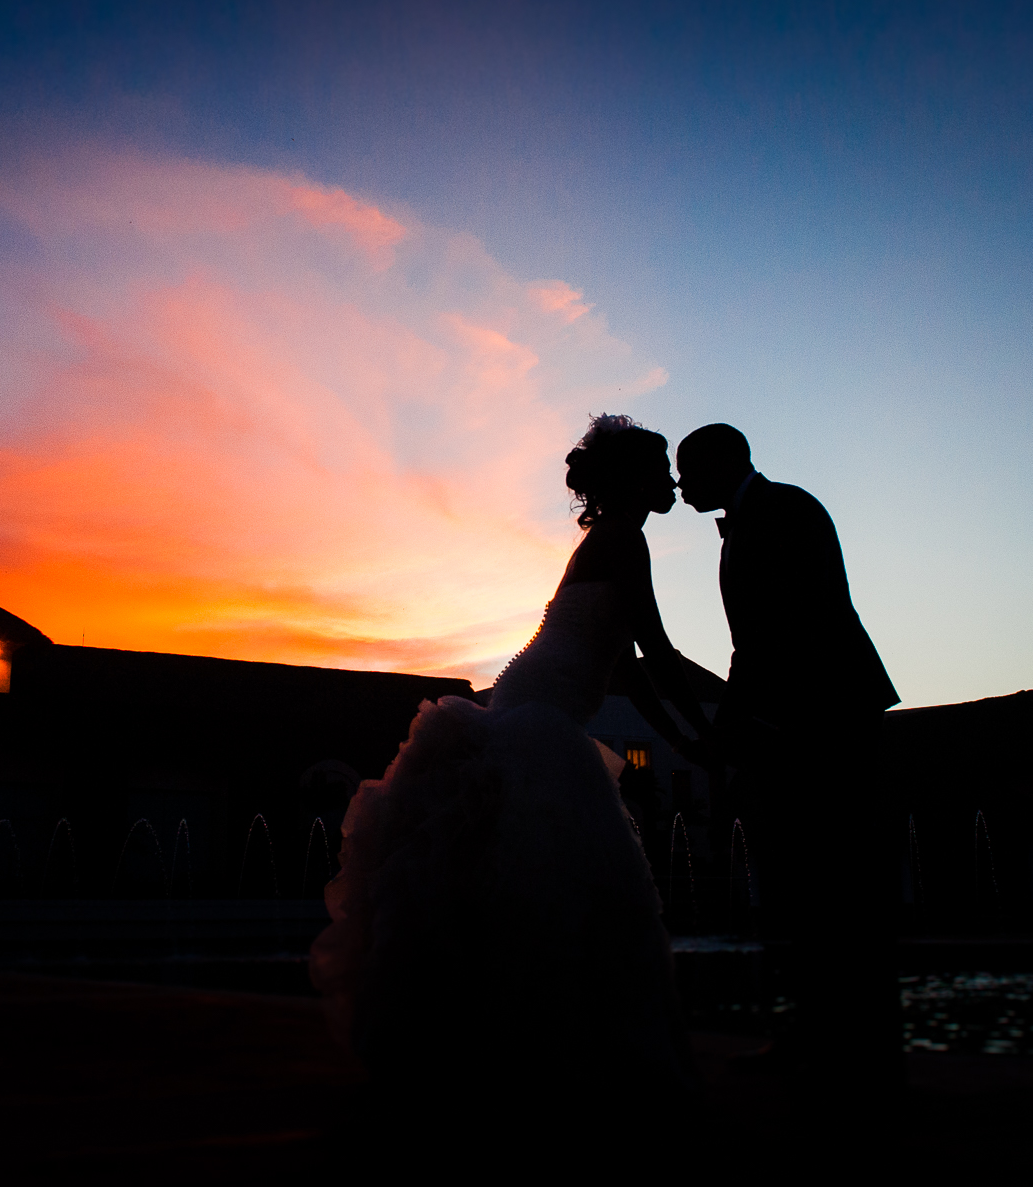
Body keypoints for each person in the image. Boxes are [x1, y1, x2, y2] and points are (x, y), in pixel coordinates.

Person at [309, 414, 716, 1147]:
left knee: (509, 890)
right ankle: (549, 1061)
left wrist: (689, 733)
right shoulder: (627, 538)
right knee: (561, 892)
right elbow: (655, 651)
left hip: (527, 700)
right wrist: (704, 734)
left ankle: (490, 1050)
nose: (671, 481)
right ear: (632, 480)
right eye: (660, 468)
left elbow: (630, 660)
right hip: (544, 717)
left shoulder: (607, 540)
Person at [675, 422, 901, 1093]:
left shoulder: (785, 510)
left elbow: (788, 631)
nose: (683, 485)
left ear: (725, 459)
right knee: (804, 892)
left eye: (689, 469)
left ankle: (860, 1057)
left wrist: (739, 725)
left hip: (829, 725)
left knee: (842, 893)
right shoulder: (751, 521)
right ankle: (814, 1040)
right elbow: (757, 642)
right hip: (793, 729)